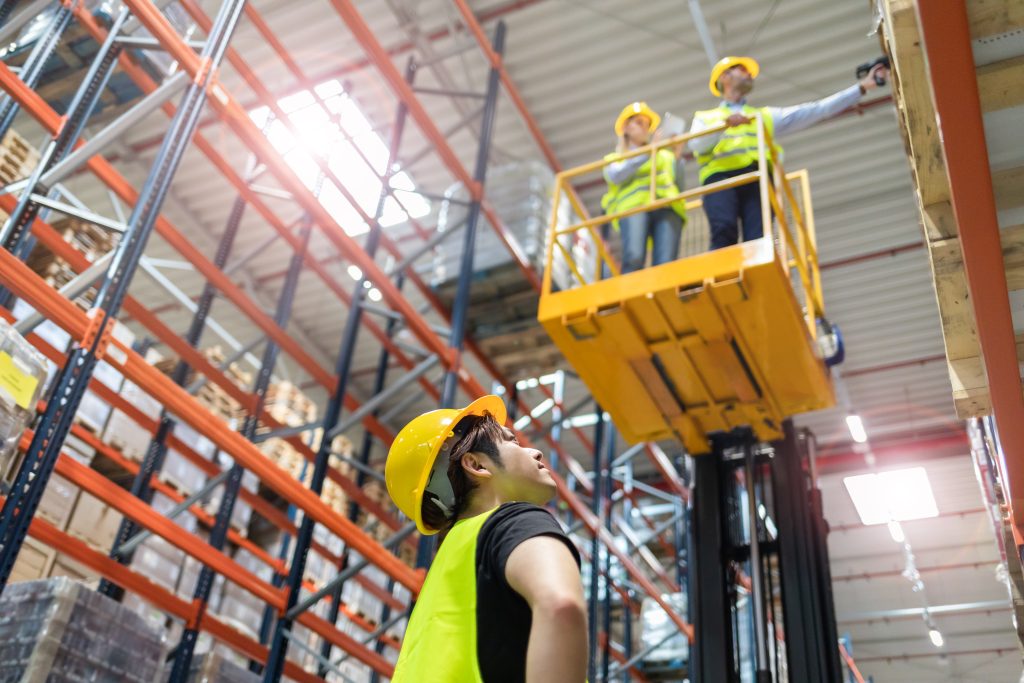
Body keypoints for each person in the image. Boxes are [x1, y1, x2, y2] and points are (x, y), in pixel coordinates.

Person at [384, 395, 588, 682]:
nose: (536, 453)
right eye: (512, 441)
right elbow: (562, 605)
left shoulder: (444, 574)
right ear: (476, 465)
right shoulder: (513, 522)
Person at [689, 56, 889, 250]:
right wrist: (724, 124)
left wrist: (862, 87)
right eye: (742, 69)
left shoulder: (763, 116)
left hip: (757, 180)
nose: (749, 74)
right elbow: (697, 145)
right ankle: (720, 279)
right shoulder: (706, 118)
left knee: (759, 240)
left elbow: (818, 110)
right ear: (724, 77)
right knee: (724, 229)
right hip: (720, 180)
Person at [601, 101, 687, 274]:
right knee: (634, 258)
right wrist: (648, 152)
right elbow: (615, 175)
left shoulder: (664, 154)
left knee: (666, 263)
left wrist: (677, 155)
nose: (645, 129)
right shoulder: (615, 158)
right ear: (625, 127)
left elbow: (679, 185)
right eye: (639, 123)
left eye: (647, 125)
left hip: (667, 207)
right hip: (634, 209)